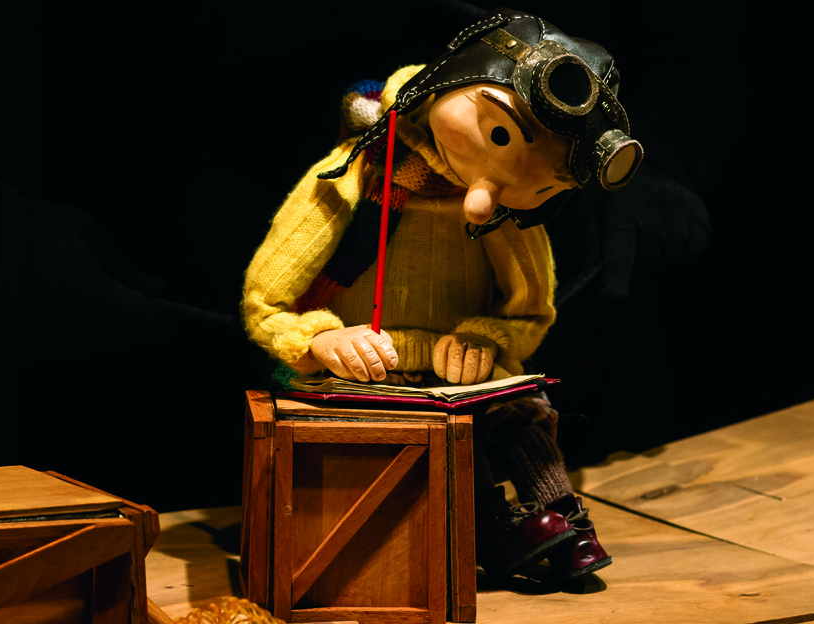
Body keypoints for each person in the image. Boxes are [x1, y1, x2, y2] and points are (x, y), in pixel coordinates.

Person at [241, 8, 638, 581]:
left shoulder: (501, 215)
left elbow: (531, 309)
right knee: (448, 440)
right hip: (360, 373)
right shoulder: (359, 173)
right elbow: (266, 302)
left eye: (542, 186)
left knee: (519, 413)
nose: (481, 201)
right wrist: (321, 338)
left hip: (457, 371)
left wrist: (486, 337)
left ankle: (561, 518)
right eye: (497, 134)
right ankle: (488, 525)